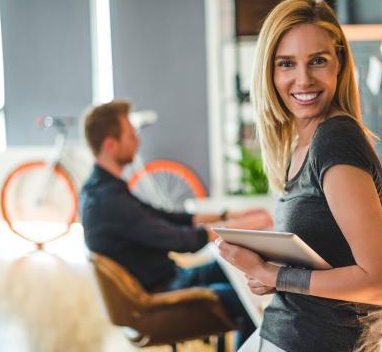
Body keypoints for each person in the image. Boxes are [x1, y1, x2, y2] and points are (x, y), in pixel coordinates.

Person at [216, 0, 382, 352]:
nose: (303, 80)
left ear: (340, 64)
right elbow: (330, 256)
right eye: (287, 63)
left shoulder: (335, 139)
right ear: (269, 71)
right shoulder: (304, 140)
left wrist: (274, 275)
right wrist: (274, 274)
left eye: (318, 61)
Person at [80, 100, 272, 346]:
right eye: (130, 135)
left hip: (166, 280)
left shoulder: (101, 189)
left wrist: (228, 214)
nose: (137, 141)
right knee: (250, 303)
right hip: (160, 297)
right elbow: (182, 241)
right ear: (110, 144)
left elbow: (167, 217)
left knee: (233, 271)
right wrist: (245, 225)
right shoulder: (109, 201)